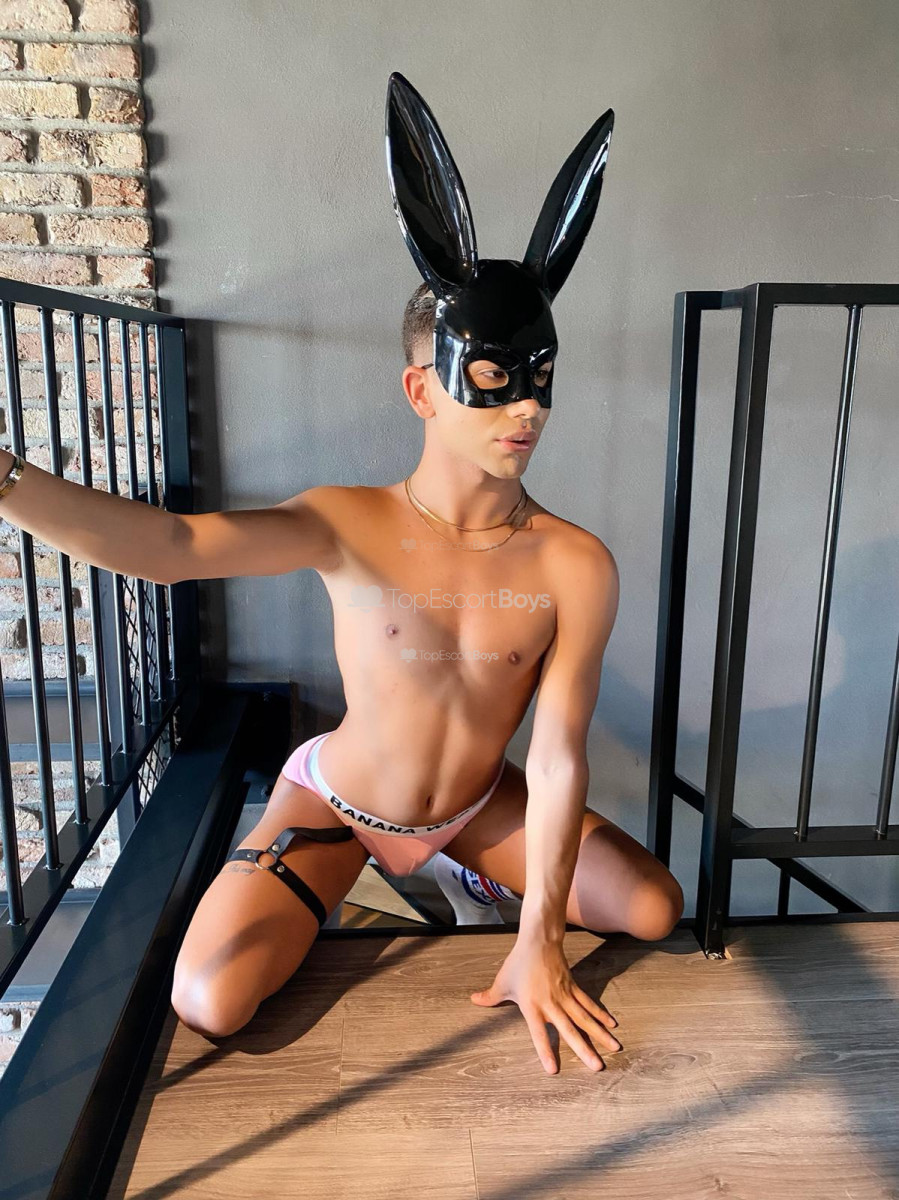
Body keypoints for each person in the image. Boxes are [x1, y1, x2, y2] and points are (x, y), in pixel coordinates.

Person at [0, 73, 684, 1076]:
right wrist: (6, 478)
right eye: (491, 382)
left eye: (539, 380)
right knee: (210, 999)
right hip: (341, 803)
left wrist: (539, 942)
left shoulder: (573, 563)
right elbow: (171, 550)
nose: (526, 410)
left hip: (475, 805)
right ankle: (347, 869)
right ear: (422, 389)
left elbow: (556, 757)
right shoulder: (345, 522)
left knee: (654, 908)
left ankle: (464, 878)